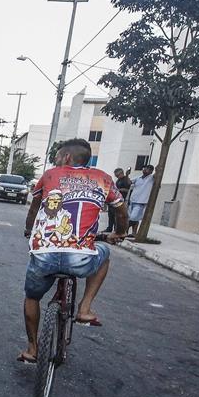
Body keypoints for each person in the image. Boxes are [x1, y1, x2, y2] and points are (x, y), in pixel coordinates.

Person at [18, 138, 128, 363]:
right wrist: (119, 233)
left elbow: (34, 208)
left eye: (57, 156)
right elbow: (122, 210)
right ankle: (85, 308)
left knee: (31, 297)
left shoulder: (50, 175)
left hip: (44, 254)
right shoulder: (104, 178)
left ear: (66, 157)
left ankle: (32, 349)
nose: (56, 160)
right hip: (80, 258)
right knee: (104, 253)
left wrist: (30, 230)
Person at [127, 165, 154, 237]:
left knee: (133, 218)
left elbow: (157, 174)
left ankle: (124, 230)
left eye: (147, 169)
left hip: (141, 202)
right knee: (135, 218)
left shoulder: (151, 178)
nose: (145, 170)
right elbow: (129, 182)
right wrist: (127, 175)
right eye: (144, 168)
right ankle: (134, 233)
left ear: (151, 171)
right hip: (133, 200)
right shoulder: (138, 178)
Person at [103, 168, 131, 233]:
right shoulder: (118, 180)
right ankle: (109, 227)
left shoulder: (125, 180)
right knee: (111, 215)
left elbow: (127, 189)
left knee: (117, 215)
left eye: (117, 175)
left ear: (121, 173)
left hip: (120, 200)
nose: (116, 176)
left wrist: (119, 190)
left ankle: (116, 229)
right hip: (113, 199)